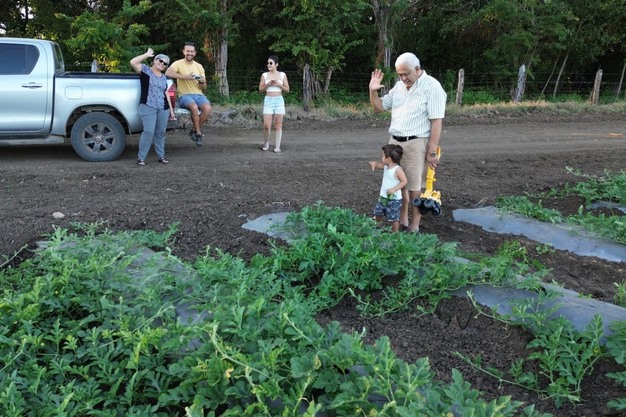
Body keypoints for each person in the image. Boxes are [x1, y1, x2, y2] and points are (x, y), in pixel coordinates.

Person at [369, 52, 447, 232]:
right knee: (397, 183)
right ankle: (402, 220)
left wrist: (432, 150)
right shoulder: (399, 87)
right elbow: (379, 107)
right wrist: (372, 91)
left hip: (416, 143)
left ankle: (414, 226)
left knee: (414, 187)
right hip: (394, 142)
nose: (403, 78)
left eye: (406, 74)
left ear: (417, 69)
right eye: (400, 74)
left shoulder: (432, 86)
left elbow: (436, 121)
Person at [130, 48, 175, 166]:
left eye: (165, 63)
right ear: (154, 61)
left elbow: (166, 93)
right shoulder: (145, 70)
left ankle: (161, 156)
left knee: (160, 133)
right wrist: (146, 54)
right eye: (160, 61)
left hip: (163, 108)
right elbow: (133, 62)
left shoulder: (164, 77)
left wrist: (171, 110)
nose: (162, 64)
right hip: (148, 106)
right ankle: (141, 158)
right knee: (148, 132)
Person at [165, 42, 211, 147]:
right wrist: (185, 77)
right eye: (187, 51)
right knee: (194, 107)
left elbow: (204, 88)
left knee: (207, 109)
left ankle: (194, 130)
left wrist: (201, 81)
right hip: (184, 95)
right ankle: (198, 134)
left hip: (199, 94)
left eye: (191, 51)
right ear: (183, 52)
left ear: (195, 53)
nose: (189, 53)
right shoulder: (178, 63)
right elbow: (168, 73)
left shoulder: (199, 66)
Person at [369, 144, 408, 232]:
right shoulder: (386, 166)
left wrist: (394, 189)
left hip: (394, 199)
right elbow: (379, 165)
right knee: (378, 212)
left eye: (383, 156)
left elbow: (404, 181)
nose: (381, 158)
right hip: (383, 196)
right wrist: (374, 164)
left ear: (389, 159)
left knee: (393, 217)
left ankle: (395, 233)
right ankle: (377, 227)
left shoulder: (398, 170)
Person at [258, 55, 290, 153]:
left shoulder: (282, 75)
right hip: (268, 100)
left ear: (276, 64)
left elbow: (287, 89)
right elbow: (260, 90)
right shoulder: (264, 75)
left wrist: (279, 85)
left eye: (271, 63)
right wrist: (268, 84)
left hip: (279, 101)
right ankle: (266, 143)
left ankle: (277, 146)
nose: (268, 65)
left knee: (278, 125)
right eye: (268, 63)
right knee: (267, 125)